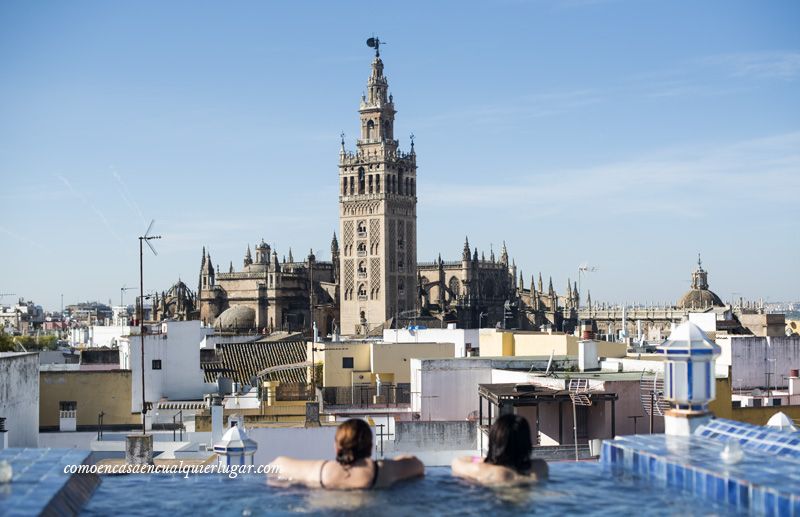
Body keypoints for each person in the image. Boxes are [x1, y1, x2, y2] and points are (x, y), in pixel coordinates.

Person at [270, 418, 424, 490]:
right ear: (370, 447)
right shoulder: (384, 471)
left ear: (337, 448)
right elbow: (418, 465)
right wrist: (395, 461)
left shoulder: (320, 471)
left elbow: (276, 465)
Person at [451, 414, 548, 486]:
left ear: (493, 441)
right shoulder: (540, 467)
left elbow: (456, 462)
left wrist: (487, 460)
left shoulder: (484, 471)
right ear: (526, 443)